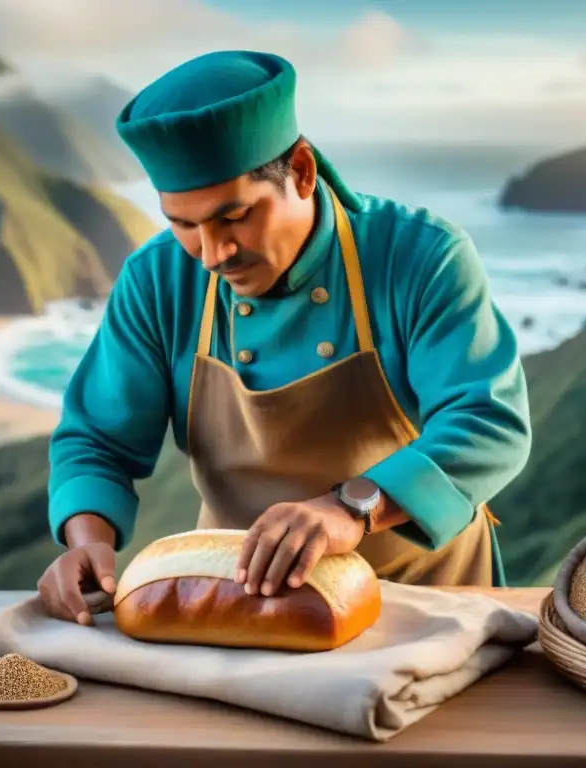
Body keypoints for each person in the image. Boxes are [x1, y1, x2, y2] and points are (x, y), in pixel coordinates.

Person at [37, 50, 532, 626]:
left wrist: (350, 508)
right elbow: (96, 439)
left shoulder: (421, 257)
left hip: (431, 601)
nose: (213, 253)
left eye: (236, 216)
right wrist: (85, 540)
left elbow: (488, 422)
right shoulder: (157, 279)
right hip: (245, 601)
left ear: (301, 170)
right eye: (183, 224)